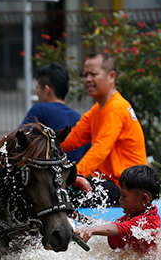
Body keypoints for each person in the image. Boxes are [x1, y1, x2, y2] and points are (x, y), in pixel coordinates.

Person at [60, 53, 147, 204]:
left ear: (111, 76)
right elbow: (70, 141)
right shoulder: (97, 110)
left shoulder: (116, 108)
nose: (87, 79)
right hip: (109, 183)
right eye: (85, 75)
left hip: (126, 189)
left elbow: (99, 150)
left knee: (60, 196)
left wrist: (73, 176)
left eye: (93, 74)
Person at [0, 62, 89, 163]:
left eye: (37, 89)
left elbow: (15, 142)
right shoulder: (79, 118)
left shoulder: (40, 110)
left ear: (47, 89)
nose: (37, 94)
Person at [74, 165, 161, 253]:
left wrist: (91, 230)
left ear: (143, 199)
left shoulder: (147, 222)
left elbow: (116, 228)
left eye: (124, 196)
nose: (120, 200)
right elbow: (104, 225)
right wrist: (77, 216)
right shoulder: (135, 215)